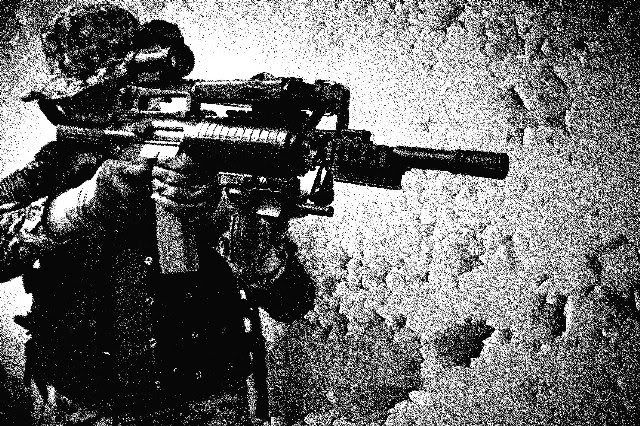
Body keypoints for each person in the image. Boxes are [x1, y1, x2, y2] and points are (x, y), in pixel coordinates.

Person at [0, 2, 315, 425]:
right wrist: (85, 204)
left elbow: (292, 300)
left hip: (205, 402)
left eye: (96, 101)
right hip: (85, 403)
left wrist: (227, 222)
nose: (75, 115)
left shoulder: (209, 161)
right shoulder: (58, 165)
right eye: (72, 105)